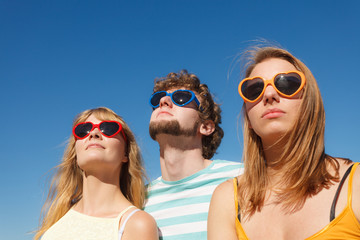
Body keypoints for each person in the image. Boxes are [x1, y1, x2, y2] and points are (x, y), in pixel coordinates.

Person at [208, 46, 360, 239]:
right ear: (249, 117)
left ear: (310, 104)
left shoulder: (355, 183)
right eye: (254, 89)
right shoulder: (227, 198)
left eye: (287, 83)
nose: (269, 95)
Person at [144, 70, 243, 239]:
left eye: (181, 98)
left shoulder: (242, 178)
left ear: (206, 127)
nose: (163, 101)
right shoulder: (140, 200)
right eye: (157, 99)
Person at [35, 107, 158, 240]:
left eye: (109, 128)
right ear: (75, 154)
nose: (93, 133)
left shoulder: (136, 224)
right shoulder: (57, 220)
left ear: (125, 153)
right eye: (83, 130)